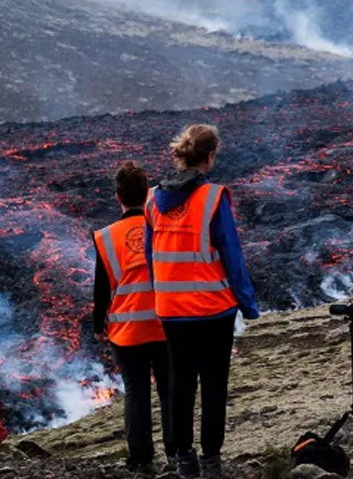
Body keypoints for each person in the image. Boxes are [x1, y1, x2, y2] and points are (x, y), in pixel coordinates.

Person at [144, 124, 260, 479]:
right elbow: (231, 253)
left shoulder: (152, 199)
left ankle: (184, 460)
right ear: (211, 155)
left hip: (172, 311)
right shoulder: (213, 197)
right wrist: (248, 304)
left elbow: (151, 255)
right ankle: (211, 461)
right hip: (212, 310)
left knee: (180, 384)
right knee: (213, 385)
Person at [92, 160, 175, 473]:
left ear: (118, 197)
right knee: (169, 390)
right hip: (166, 323)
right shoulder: (164, 226)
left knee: (136, 392)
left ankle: (140, 459)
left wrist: (97, 323)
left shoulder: (106, 237)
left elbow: (102, 289)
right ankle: (176, 452)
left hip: (127, 330)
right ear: (147, 193)